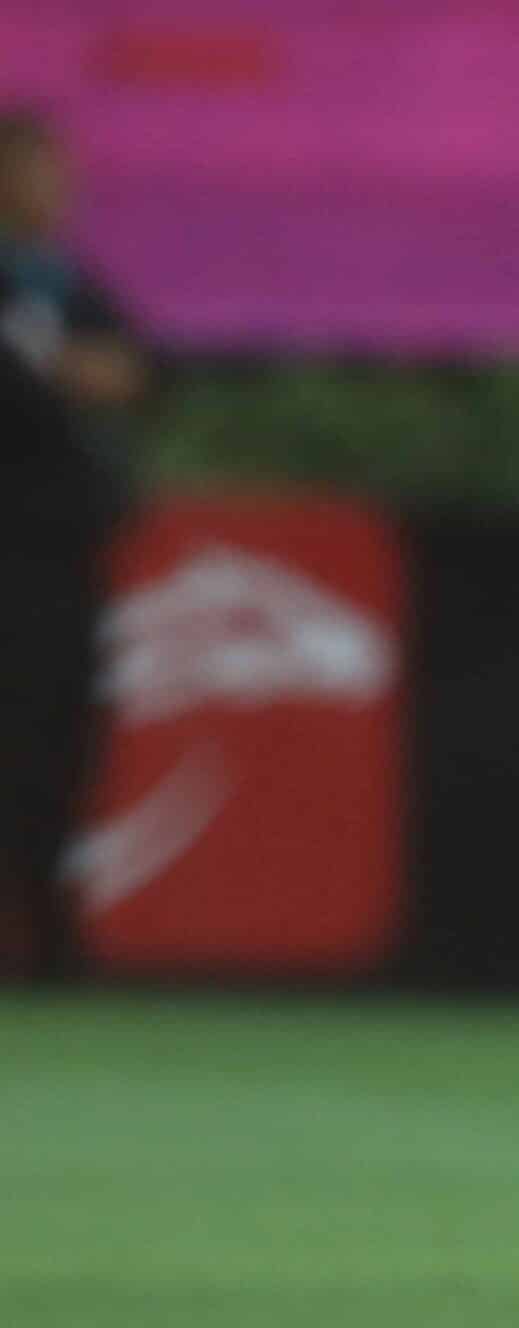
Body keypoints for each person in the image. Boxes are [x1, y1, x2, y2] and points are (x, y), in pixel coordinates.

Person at [0, 110, 146, 981]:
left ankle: (47, 926)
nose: (57, 188)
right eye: (34, 169)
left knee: (57, 735)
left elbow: (132, 370)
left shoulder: (71, 283)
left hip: (62, 552)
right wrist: (61, 371)